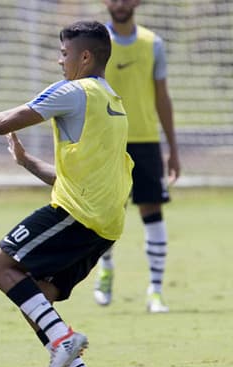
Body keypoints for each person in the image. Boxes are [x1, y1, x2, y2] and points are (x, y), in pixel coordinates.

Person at [0, 21, 133, 367]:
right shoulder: (113, 102)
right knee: (37, 296)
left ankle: (64, 342)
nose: (59, 60)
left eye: (65, 54)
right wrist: (27, 161)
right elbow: (73, 177)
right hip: (106, 223)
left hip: (78, 214)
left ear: (85, 56)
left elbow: (2, 122)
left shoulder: (73, 91)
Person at [94, 0, 181, 312]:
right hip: (106, 141)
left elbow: (162, 97)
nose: (120, 3)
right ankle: (105, 269)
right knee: (104, 214)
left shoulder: (152, 43)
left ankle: (155, 291)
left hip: (144, 141)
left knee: (152, 211)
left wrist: (172, 147)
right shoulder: (94, 41)